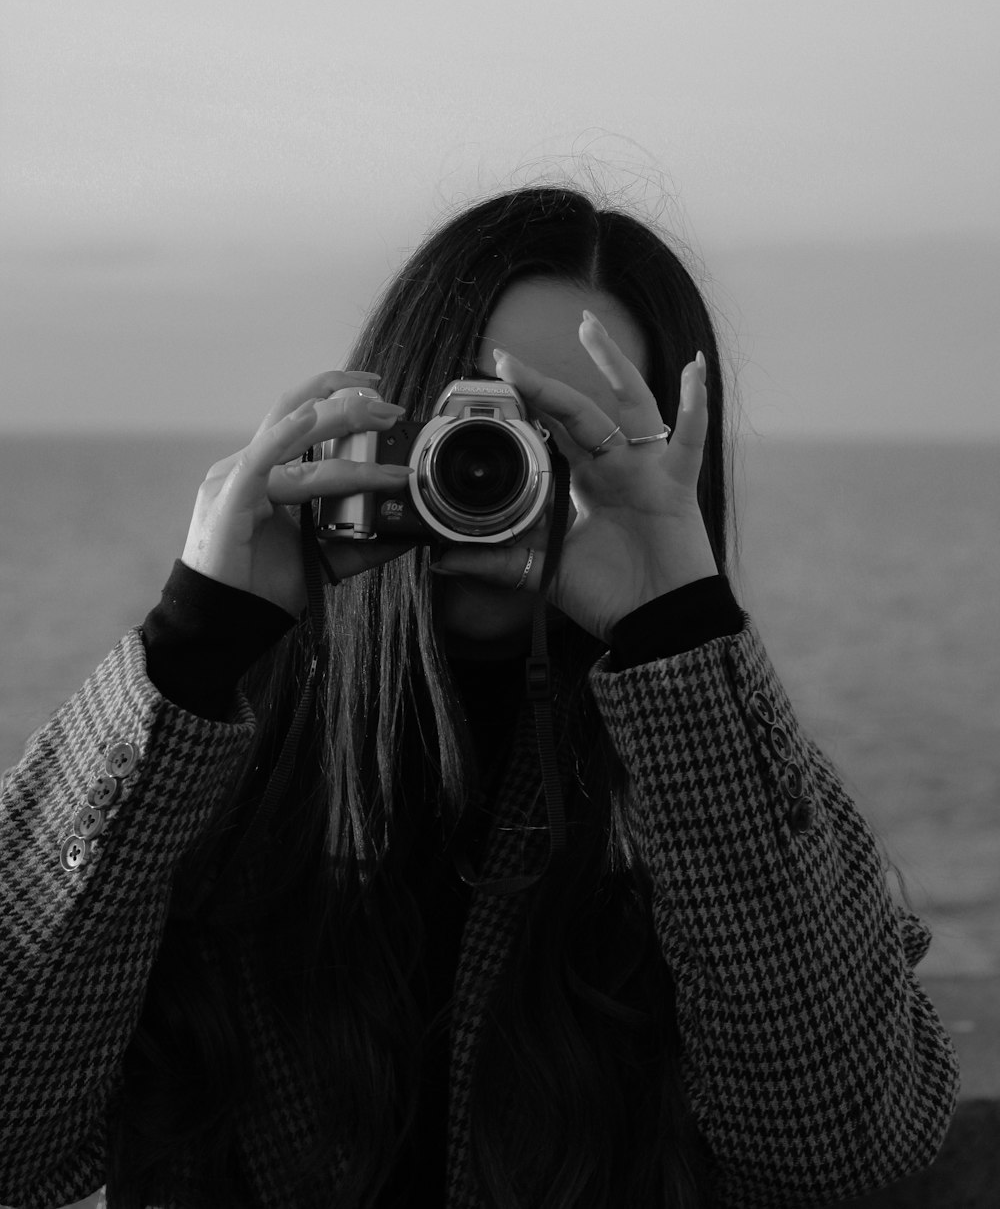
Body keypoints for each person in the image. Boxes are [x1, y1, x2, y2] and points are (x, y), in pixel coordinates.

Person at [0, 186, 959, 1209]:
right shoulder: (212, 769)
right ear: (376, 424)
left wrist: (676, 637)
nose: (493, 460)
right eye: (460, 414)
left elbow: (845, 1146)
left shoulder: (709, 786)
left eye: (566, 430)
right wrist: (194, 647)